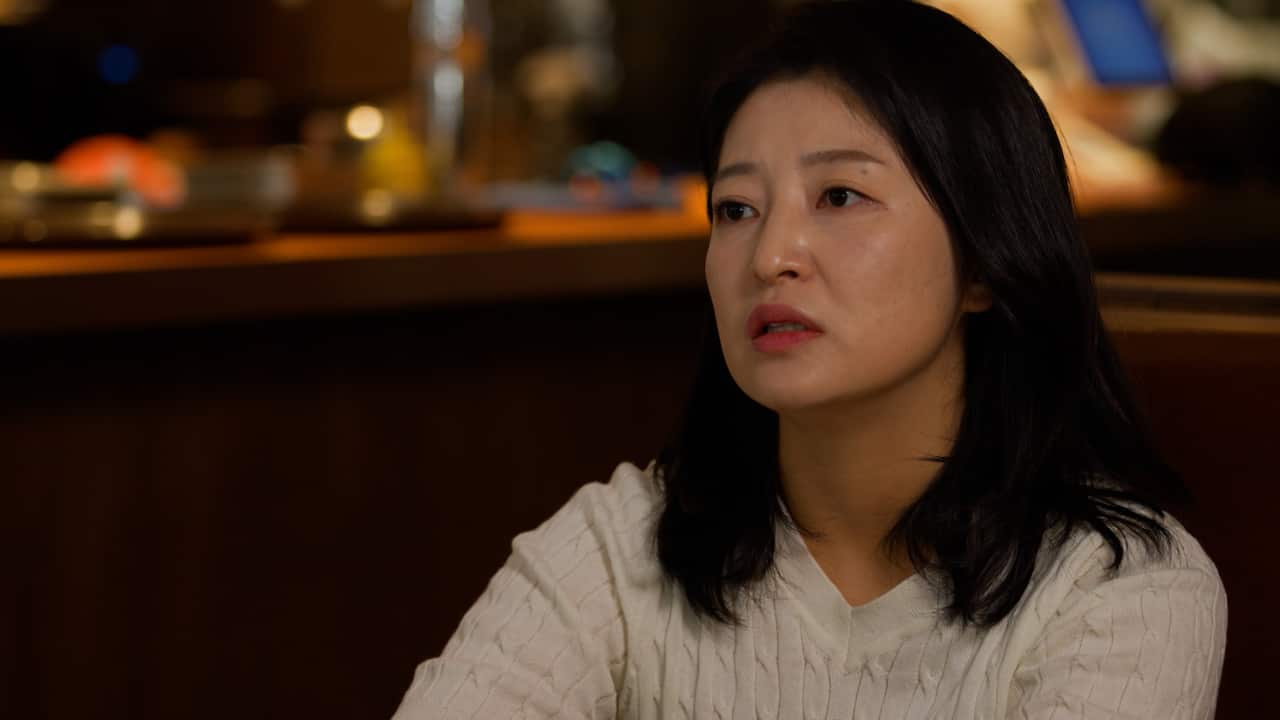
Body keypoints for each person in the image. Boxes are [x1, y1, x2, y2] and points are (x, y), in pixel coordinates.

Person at [391, 2, 1227, 717]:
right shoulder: (618, 550)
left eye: (839, 197)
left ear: (983, 261)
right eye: (737, 208)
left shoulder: (1122, 589)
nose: (770, 255)